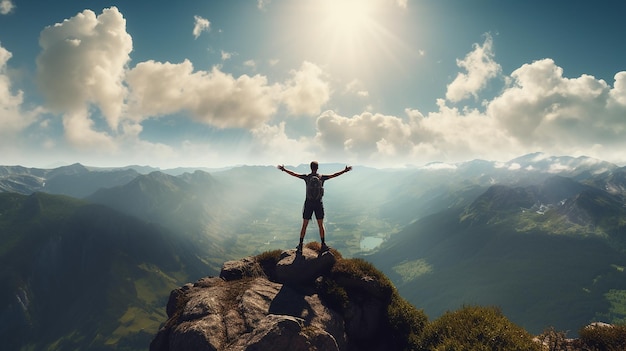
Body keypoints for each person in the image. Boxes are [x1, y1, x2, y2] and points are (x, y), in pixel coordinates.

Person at [277, 161, 352, 252]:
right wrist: (344, 171)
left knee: (304, 225)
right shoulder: (321, 178)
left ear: (310, 167)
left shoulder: (307, 177)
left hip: (308, 203)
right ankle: (323, 244)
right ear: (317, 168)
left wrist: (284, 169)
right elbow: (334, 175)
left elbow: (294, 174)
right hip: (318, 204)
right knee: (321, 225)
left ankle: (300, 244)